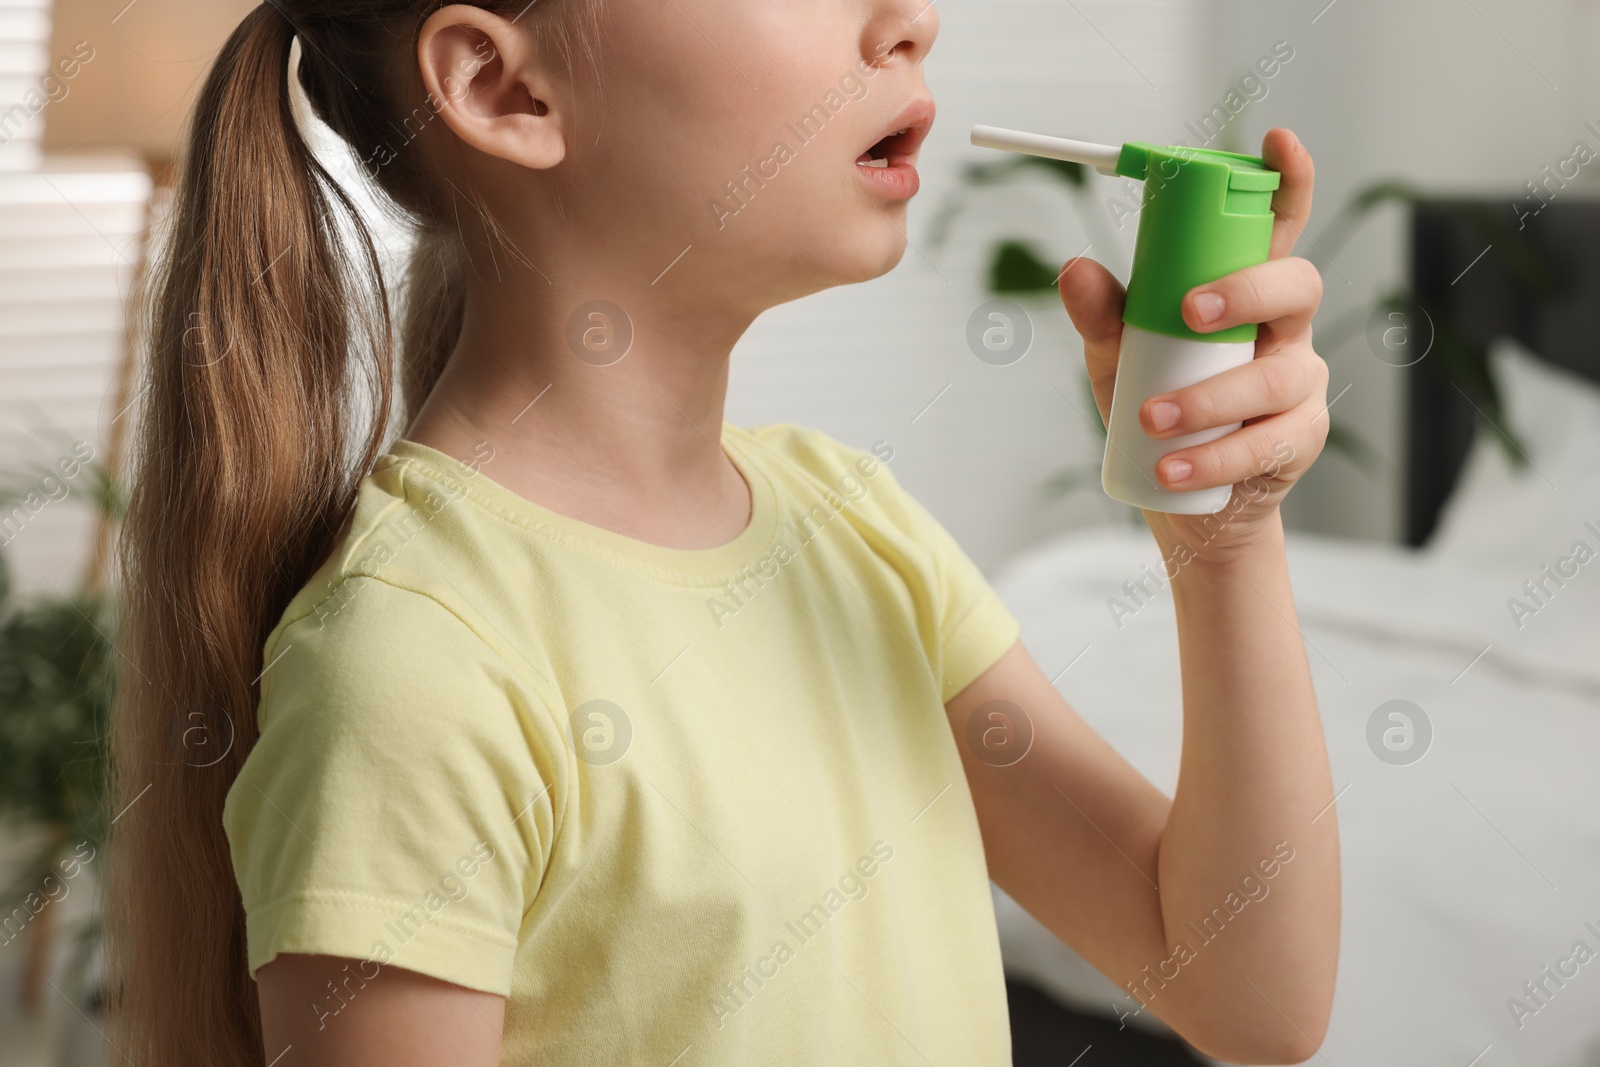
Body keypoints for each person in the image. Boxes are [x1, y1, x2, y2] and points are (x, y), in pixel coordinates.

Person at [108, 0, 1339, 1063]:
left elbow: (1244, 991)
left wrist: (1223, 540)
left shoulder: (857, 534)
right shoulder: (417, 663)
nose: (911, 18)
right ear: (505, 87)